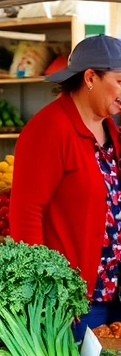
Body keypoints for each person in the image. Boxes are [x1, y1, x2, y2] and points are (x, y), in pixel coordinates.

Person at [11, 35, 121, 337]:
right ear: (90, 78)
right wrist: (48, 289)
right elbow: (25, 216)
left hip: (114, 292)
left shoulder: (109, 127)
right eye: (120, 81)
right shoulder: (48, 129)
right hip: (76, 300)